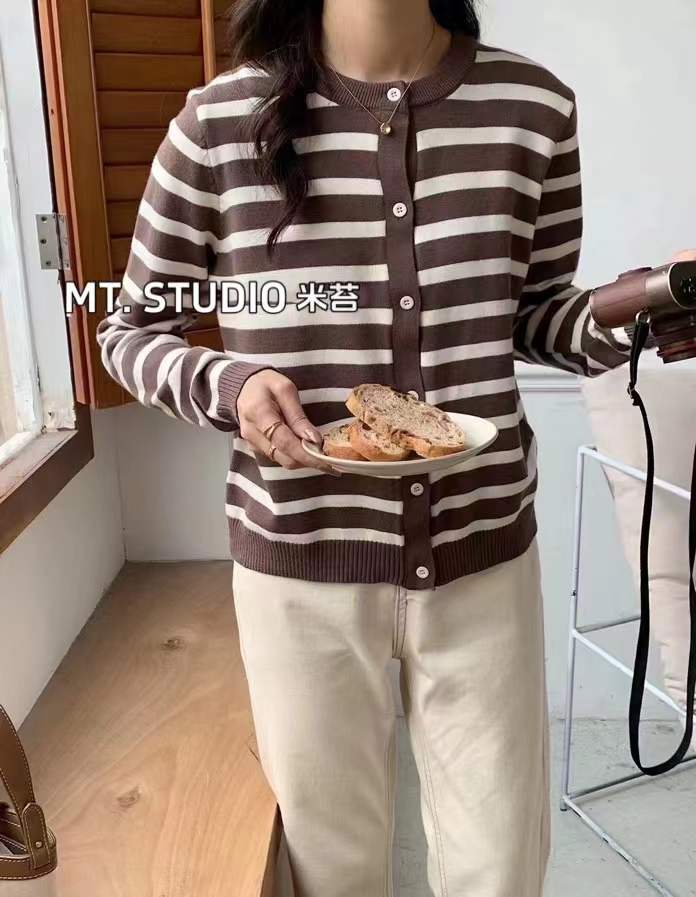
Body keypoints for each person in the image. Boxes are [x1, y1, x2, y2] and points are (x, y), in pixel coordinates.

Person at [95, 2, 696, 895]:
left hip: (483, 555)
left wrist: (647, 309)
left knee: (501, 870)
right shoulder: (218, 123)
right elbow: (131, 332)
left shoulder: (534, 107)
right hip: (301, 565)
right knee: (333, 872)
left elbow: (534, 316)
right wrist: (230, 385)